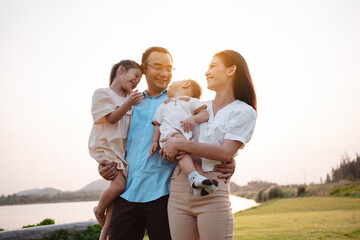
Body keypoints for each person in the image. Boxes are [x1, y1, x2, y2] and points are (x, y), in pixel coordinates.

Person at [97, 46, 236, 240]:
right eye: (157, 67)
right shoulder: (129, 102)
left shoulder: (184, 100)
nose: (164, 73)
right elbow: (110, 138)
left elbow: (210, 133)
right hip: (127, 194)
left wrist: (230, 158)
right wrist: (104, 165)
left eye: (169, 68)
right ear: (144, 69)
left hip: (165, 196)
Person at [160, 50, 257, 240]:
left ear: (231, 70)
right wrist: (169, 149)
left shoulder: (243, 111)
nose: (206, 72)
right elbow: (173, 136)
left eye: (213, 66)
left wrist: (181, 144)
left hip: (213, 188)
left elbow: (225, 152)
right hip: (179, 187)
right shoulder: (196, 106)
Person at [88, 60, 143, 240]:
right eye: (135, 76)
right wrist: (129, 103)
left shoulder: (130, 99)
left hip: (123, 151)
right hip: (107, 147)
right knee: (119, 185)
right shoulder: (103, 94)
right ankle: (99, 209)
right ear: (121, 69)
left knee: (118, 194)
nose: (137, 81)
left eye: (140, 79)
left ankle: (105, 234)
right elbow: (111, 118)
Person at [150, 79, 218, 197]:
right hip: (170, 137)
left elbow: (204, 114)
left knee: (196, 156)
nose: (169, 86)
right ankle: (193, 176)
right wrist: (154, 141)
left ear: (186, 84)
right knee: (182, 147)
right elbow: (157, 124)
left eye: (172, 84)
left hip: (187, 139)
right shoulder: (164, 104)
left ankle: (200, 183)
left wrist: (194, 118)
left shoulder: (191, 101)